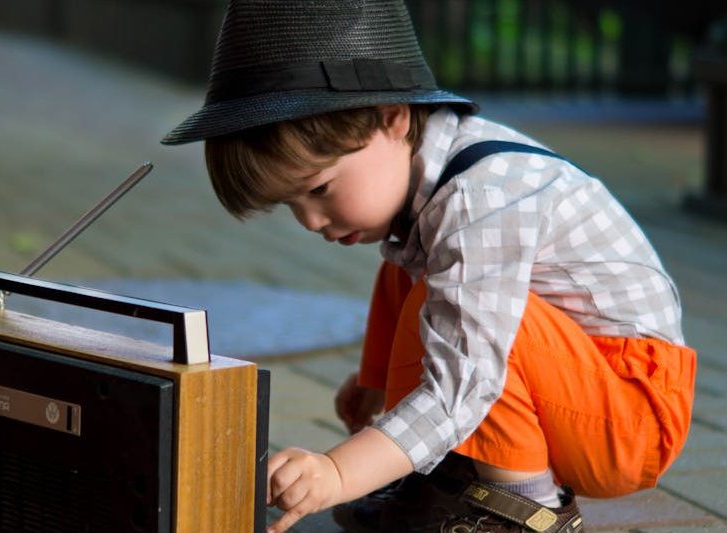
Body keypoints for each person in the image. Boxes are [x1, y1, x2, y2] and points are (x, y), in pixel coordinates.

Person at [162, 1, 697, 532]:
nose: (310, 221)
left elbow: (462, 382)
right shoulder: (434, 182)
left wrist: (338, 471)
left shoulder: (479, 201)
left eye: (319, 189)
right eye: (290, 205)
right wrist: (376, 383)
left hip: (631, 415)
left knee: (472, 313)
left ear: (391, 117)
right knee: (411, 269)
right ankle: (450, 480)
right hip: (580, 385)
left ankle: (524, 510)